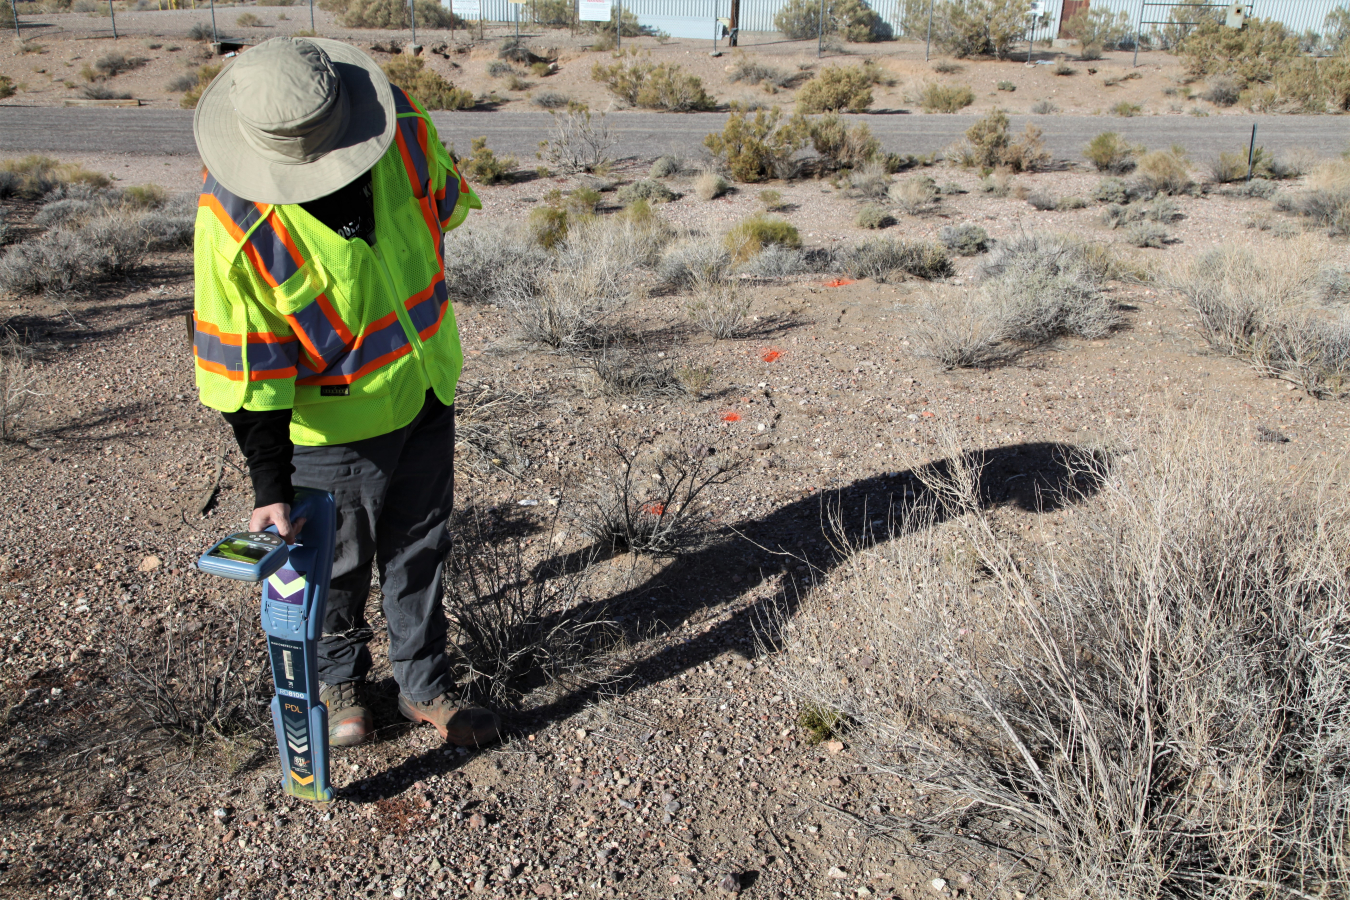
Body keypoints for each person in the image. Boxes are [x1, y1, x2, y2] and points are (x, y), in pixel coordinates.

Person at [190, 36, 498, 749]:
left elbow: (443, 208)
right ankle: (341, 685)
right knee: (333, 569)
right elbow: (244, 371)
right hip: (330, 433)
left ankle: (424, 685)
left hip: (426, 386)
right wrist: (269, 484)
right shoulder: (235, 222)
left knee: (421, 547)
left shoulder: (407, 128)